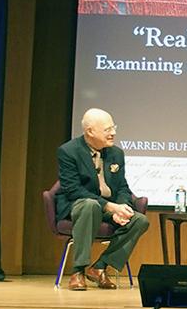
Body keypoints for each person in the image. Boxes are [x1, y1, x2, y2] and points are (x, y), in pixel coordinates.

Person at [55, 108, 149, 291]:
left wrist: (121, 208)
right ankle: (78, 271)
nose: (113, 133)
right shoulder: (68, 151)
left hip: (108, 207)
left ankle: (99, 267)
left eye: (113, 127)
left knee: (140, 220)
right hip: (79, 205)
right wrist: (109, 207)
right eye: (107, 129)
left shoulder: (116, 154)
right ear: (90, 131)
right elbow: (73, 190)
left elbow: (122, 187)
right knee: (90, 205)